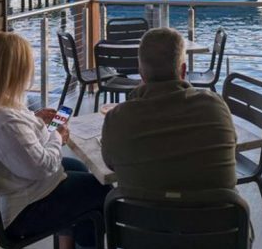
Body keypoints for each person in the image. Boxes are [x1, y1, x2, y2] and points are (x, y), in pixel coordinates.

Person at [0, 32, 109, 249]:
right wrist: (56, 136)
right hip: (14, 215)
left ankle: (67, 245)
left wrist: (34, 120)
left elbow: (7, 142)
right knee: (101, 191)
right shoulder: (4, 122)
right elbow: (43, 167)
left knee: (77, 167)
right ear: (17, 72)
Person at [101, 28, 237, 190]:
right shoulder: (216, 108)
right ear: (184, 70)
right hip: (217, 213)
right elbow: (232, 144)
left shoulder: (118, 119)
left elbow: (110, 162)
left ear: (141, 74)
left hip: (142, 214)